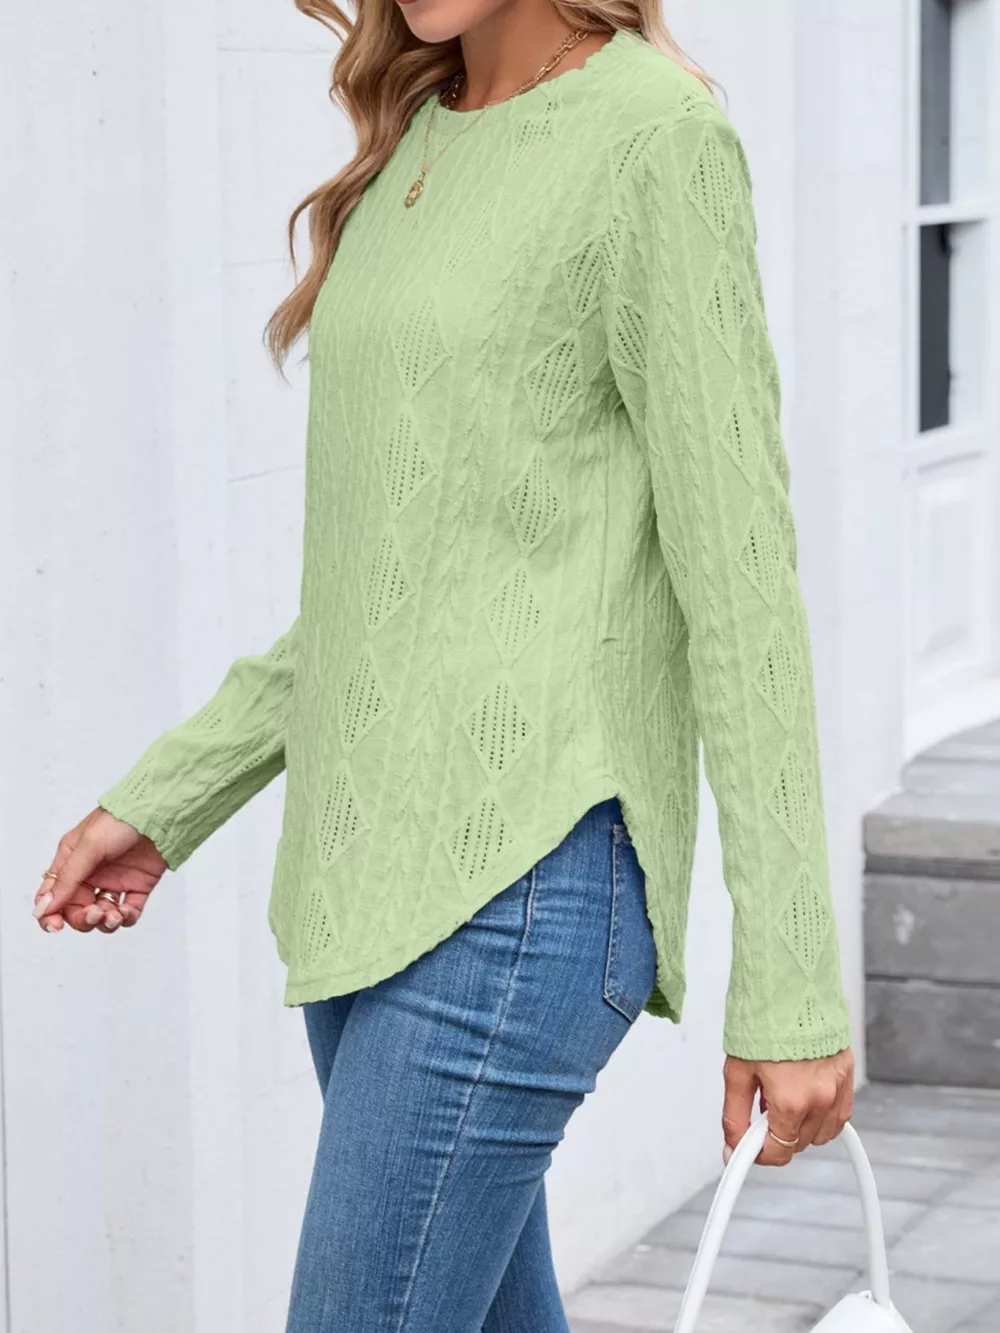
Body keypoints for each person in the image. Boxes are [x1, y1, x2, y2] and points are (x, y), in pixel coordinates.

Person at [33, 4, 855, 1330]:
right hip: (360, 882)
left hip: (525, 883)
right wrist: (171, 795)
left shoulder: (655, 140)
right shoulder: (420, 136)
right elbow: (386, 592)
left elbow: (743, 589)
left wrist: (794, 985)